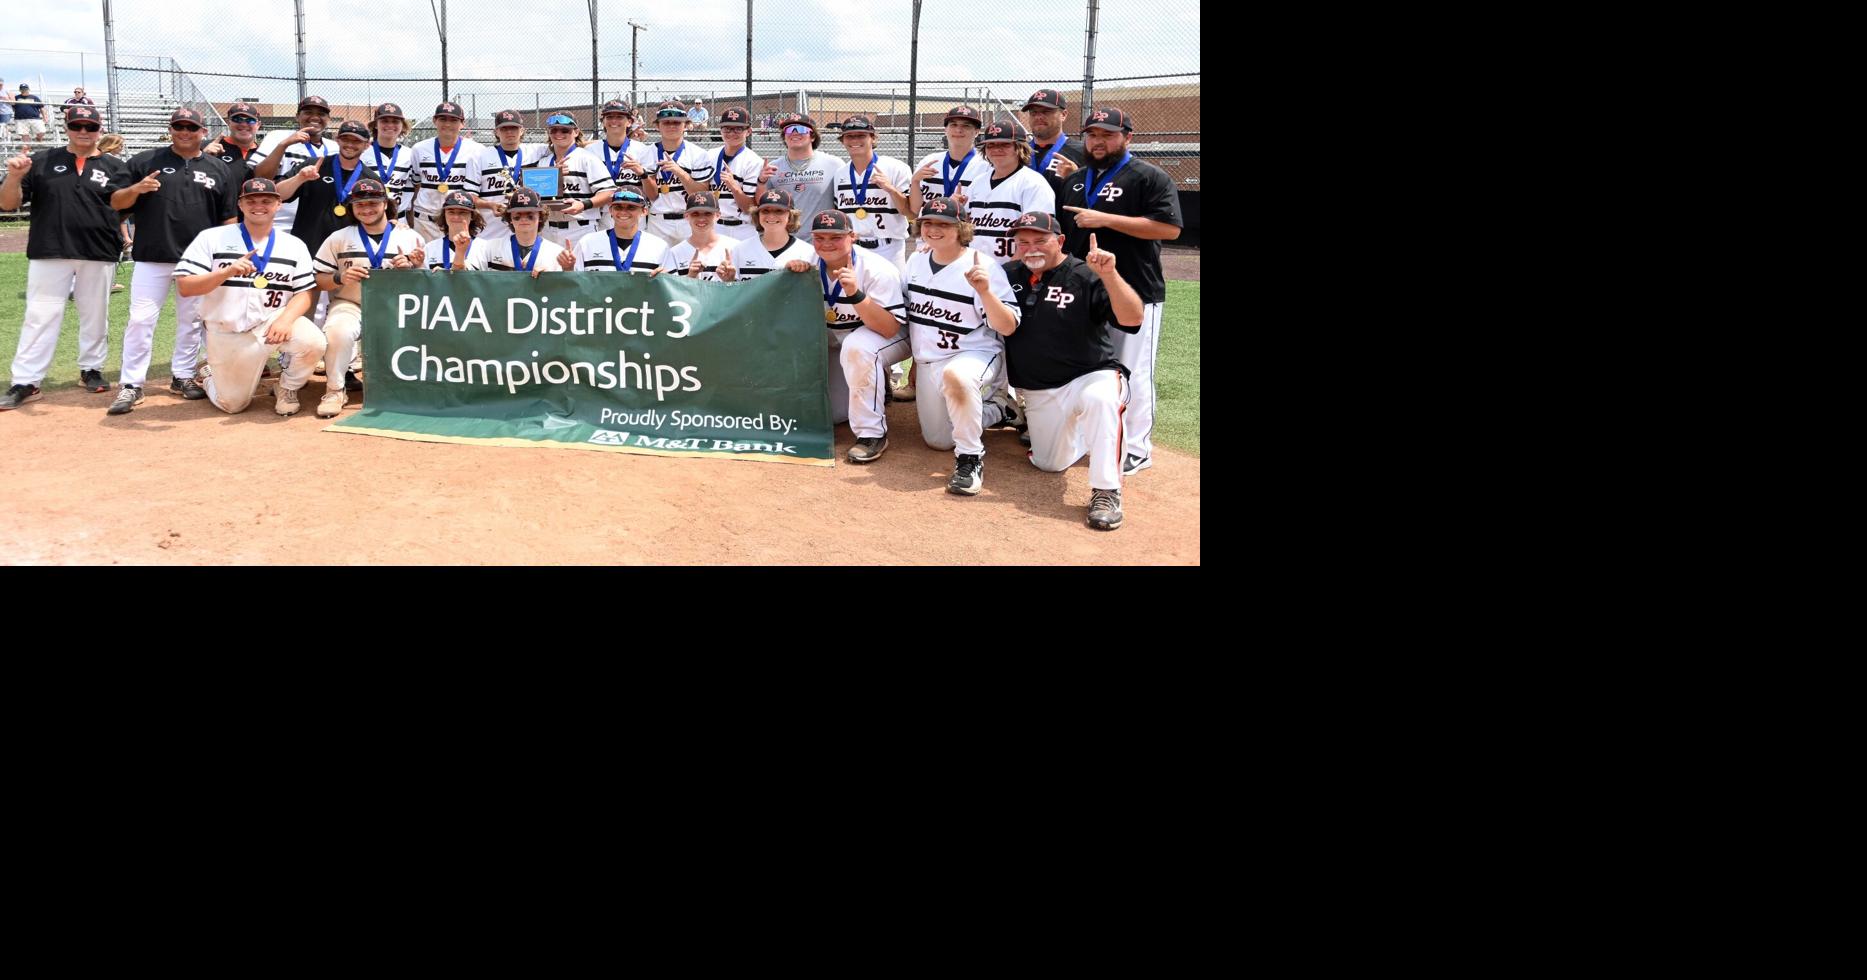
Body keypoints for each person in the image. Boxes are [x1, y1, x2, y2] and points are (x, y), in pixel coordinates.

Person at [1057, 106, 1182, 476]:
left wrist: (1106, 219)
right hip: (1086, 292)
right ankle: (1088, 438)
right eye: (1093, 135)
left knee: (1133, 373)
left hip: (1136, 290)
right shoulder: (1076, 179)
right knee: (1084, 366)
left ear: (1128, 137)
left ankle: (1137, 448)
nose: (1098, 142)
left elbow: (1169, 229)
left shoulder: (1149, 177)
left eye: (1107, 135)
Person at [1000, 212, 1143, 530]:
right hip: (1039, 388)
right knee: (1049, 464)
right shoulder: (1007, 275)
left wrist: (1110, 275)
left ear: (1060, 241)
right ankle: (1085, 433)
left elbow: (1132, 320)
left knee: (1100, 401)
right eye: (1023, 242)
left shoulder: (1086, 273)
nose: (1031, 248)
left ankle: (1107, 490)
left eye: (1040, 240)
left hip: (1091, 374)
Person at [107, 106, 242, 414]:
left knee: (192, 321)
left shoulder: (218, 168)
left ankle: (182, 375)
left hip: (198, 262)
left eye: (191, 127)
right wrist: (137, 189)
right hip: (153, 256)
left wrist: (225, 258)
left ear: (202, 131)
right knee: (141, 320)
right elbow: (116, 202)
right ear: (170, 129)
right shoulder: (145, 162)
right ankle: (131, 383)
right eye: (178, 126)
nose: (184, 132)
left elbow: (229, 217)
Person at [0, 104, 129, 410]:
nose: (83, 132)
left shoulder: (116, 167)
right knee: (40, 315)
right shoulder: (43, 161)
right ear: (67, 127)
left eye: (90, 126)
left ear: (100, 129)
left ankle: (91, 369)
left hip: (98, 250)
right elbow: (7, 204)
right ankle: (26, 381)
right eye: (77, 126)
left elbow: (125, 207)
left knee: (95, 313)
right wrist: (14, 177)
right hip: (50, 249)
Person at [172, 177, 326, 417]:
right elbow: (185, 286)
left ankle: (287, 388)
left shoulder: (294, 244)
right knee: (232, 405)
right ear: (240, 205)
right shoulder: (212, 238)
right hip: (228, 331)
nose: (259, 206)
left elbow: (304, 293)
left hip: (272, 321)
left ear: (278, 205)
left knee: (314, 342)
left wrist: (286, 320)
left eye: (267, 200)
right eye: (251, 200)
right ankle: (211, 374)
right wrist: (227, 271)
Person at [902, 195, 1022, 495]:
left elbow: (1007, 326)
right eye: (928, 222)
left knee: (957, 377)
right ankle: (999, 411)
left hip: (975, 353)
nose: (933, 229)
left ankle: (970, 458)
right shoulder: (916, 260)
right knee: (939, 440)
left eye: (944, 224)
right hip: (931, 359)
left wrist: (984, 292)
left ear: (961, 228)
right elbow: (913, 319)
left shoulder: (983, 265)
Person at [798, 210, 909, 465]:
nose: (826, 244)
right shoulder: (807, 260)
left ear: (853, 236)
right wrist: (790, 274)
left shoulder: (876, 269)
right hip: (837, 338)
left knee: (858, 347)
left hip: (886, 335)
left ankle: (872, 434)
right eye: (820, 237)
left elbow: (889, 328)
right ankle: (877, 388)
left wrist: (855, 293)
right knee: (836, 414)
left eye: (835, 237)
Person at [310, 177, 424, 417]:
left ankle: (402, 386)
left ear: (386, 204)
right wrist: (340, 277)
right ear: (351, 207)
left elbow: (426, 282)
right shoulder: (339, 237)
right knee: (337, 331)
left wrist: (413, 267)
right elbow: (319, 279)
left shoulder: (408, 236)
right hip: (351, 302)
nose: (367, 209)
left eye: (373, 202)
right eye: (360, 204)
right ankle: (334, 390)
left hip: (396, 307)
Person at [829, 115, 913, 273]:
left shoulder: (895, 167)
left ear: (872, 138)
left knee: (895, 294)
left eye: (861, 135)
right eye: (849, 136)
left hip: (889, 248)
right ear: (843, 141)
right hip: (854, 248)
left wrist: (891, 189)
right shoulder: (840, 173)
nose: (855, 141)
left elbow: (909, 212)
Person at [966, 120, 1055, 265]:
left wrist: (1011, 271)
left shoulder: (1033, 183)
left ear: (1019, 148)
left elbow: (1036, 235)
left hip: (1015, 268)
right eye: (991, 145)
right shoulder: (978, 182)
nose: (996, 149)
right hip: (976, 267)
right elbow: (964, 225)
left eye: (1005, 144)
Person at [252, 94, 335, 231]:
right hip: (280, 223)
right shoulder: (278, 136)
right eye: (308, 112)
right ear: (297, 116)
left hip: (319, 224)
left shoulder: (334, 147)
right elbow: (261, 177)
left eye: (321, 114)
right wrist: (283, 145)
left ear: (328, 119)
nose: (315, 117)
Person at [407, 101, 484, 242]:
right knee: (424, 262)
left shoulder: (477, 150)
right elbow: (416, 185)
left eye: (453, 120)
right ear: (434, 120)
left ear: (462, 123)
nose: (447, 124)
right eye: (443, 119)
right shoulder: (419, 148)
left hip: (458, 219)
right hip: (425, 221)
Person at [531, 112, 610, 248]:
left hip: (580, 228)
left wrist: (583, 204)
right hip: (547, 229)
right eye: (553, 130)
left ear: (576, 132)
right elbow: (536, 196)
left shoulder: (587, 159)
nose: (558, 134)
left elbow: (609, 192)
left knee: (581, 269)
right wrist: (553, 176)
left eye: (565, 130)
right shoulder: (543, 163)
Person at [641, 100, 714, 246]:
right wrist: (644, 176)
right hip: (659, 221)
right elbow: (653, 195)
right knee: (659, 266)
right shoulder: (647, 153)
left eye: (677, 122)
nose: (671, 126)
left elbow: (701, 193)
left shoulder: (698, 154)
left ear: (686, 125)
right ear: (657, 126)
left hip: (689, 220)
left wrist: (679, 172)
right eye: (666, 122)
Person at [754, 112, 841, 233]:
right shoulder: (773, 167)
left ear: (813, 136)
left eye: (801, 129)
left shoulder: (834, 164)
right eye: (789, 130)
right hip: (785, 241)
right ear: (784, 137)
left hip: (821, 239)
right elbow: (761, 204)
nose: (795, 132)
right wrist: (761, 182)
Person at [469, 109, 542, 242]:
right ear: (496, 132)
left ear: (522, 130)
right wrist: (490, 205)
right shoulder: (480, 156)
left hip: (525, 231)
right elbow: (470, 197)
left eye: (514, 128)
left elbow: (565, 144)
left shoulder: (535, 151)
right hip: (490, 231)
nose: (509, 132)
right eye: (504, 128)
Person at [462, 185, 570, 275]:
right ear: (510, 219)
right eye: (517, 215)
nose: (523, 219)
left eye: (530, 215)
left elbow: (566, 291)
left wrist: (562, 273)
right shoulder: (489, 248)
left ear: (541, 217)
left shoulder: (556, 252)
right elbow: (463, 278)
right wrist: (459, 251)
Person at [909, 106, 991, 219]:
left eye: (966, 126)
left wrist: (955, 208)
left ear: (976, 132)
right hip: (929, 232)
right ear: (945, 130)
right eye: (953, 125)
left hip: (966, 234)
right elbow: (914, 210)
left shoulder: (987, 165)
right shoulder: (929, 161)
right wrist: (915, 181)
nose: (958, 130)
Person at [722, 188, 814, 282]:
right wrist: (729, 280)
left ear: (791, 215)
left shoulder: (809, 252)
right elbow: (733, 293)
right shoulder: (739, 250)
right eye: (765, 211)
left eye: (779, 211)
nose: (771, 216)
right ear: (757, 215)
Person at [588, 100, 650, 236]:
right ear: (603, 121)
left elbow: (652, 190)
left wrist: (642, 174)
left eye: (620, 117)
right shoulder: (590, 151)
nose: (614, 121)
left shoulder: (643, 150)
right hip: (603, 214)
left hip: (634, 212)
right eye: (609, 117)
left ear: (629, 121)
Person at [570, 188, 668, 273]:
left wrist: (665, 279)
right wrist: (568, 268)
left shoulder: (659, 247)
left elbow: (671, 288)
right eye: (618, 207)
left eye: (631, 207)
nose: (623, 212)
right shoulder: (587, 243)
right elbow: (575, 282)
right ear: (610, 210)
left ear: (644, 211)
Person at [707, 107, 763, 244]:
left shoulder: (753, 161)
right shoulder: (709, 155)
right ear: (721, 130)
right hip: (714, 225)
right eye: (727, 128)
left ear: (748, 131)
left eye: (738, 129)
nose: (732, 133)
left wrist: (734, 187)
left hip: (742, 228)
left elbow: (749, 208)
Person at [656, 191, 733, 281]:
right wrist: (690, 277)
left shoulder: (733, 247)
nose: (701, 218)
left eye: (707, 213)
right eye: (695, 214)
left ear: (718, 215)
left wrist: (730, 281)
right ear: (686, 216)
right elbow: (673, 292)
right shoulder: (674, 253)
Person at [1022, 88, 1087, 188]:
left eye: (1046, 111)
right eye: (1033, 113)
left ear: (1063, 115)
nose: (1038, 117)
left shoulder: (1083, 152)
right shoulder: (1019, 152)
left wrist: (1076, 178)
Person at [364, 103, 416, 220]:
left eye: (395, 121)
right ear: (376, 125)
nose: (390, 125)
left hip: (399, 219)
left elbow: (415, 189)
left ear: (402, 125)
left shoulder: (411, 154)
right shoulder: (363, 153)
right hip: (369, 218)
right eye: (385, 121)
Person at [425, 190, 484, 271]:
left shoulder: (484, 248)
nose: (456, 217)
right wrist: (419, 266)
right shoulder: (430, 248)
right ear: (444, 215)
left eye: (462, 213)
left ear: (472, 216)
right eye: (451, 212)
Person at [203, 101, 266, 170]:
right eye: (237, 119)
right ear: (228, 122)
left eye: (250, 120)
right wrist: (201, 159)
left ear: (258, 125)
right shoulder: (206, 147)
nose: (243, 124)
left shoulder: (265, 154)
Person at [11, 84, 47, 151]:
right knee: (24, 134)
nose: (24, 90)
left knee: (42, 131)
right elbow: (13, 107)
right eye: (22, 89)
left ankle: (38, 138)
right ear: (20, 90)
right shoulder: (16, 98)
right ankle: (28, 148)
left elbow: (42, 108)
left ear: (28, 89)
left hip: (35, 118)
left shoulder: (34, 97)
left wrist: (45, 117)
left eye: (25, 88)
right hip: (20, 119)